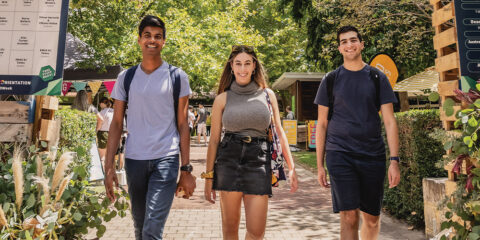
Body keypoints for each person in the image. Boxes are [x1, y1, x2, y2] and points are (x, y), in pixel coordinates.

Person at [104, 15, 196, 240]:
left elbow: (183, 125)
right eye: (147, 36)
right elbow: (116, 124)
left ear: (164, 41)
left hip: (166, 157)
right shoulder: (126, 77)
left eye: (157, 36)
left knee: (152, 228)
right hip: (135, 159)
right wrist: (108, 167)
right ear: (139, 40)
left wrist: (186, 170)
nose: (152, 40)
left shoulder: (177, 76)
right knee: (140, 226)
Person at [314, 26, 400, 240]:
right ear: (339, 48)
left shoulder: (377, 77)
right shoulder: (330, 79)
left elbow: (389, 121)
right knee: (349, 216)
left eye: (353, 40)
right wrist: (319, 165)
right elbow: (322, 123)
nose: (349, 45)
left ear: (362, 44)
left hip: (372, 155)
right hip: (340, 154)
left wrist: (394, 160)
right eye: (344, 41)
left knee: (371, 219)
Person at [203, 45, 298, 240]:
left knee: (256, 232)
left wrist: (292, 166)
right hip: (229, 159)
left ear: (254, 66)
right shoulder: (222, 99)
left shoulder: (268, 95)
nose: (243, 69)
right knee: (230, 230)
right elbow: (213, 141)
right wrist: (208, 178)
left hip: (258, 160)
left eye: (247, 63)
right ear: (231, 66)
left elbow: (279, 132)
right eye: (238, 63)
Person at [96, 97, 114, 164]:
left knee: (102, 157)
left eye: (100, 103)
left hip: (103, 133)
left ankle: (103, 173)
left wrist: (96, 130)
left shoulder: (102, 112)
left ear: (103, 103)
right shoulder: (113, 111)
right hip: (113, 133)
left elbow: (100, 123)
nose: (100, 105)